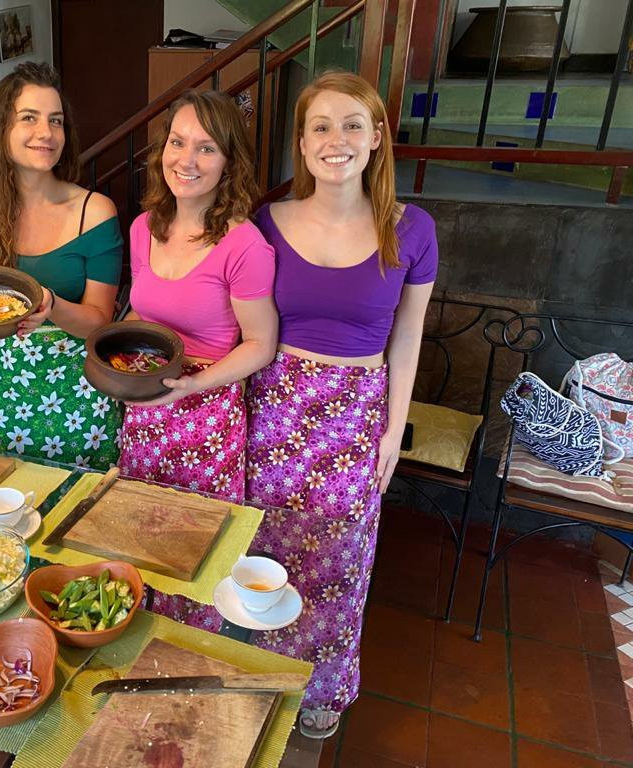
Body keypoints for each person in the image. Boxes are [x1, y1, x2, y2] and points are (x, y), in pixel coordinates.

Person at [247, 71, 437, 737]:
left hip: (357, 413)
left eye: (353, 124)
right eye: (321, 126)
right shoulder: (265, 224)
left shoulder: (411, 229)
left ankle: (321, 687)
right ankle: (260, 674)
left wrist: (393, 431)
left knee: (340, 559)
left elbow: (408, 335)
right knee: (264, 546)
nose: (337, 139)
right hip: (273, 406)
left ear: (378, 136)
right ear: (301, 144)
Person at [0, 62, 123, 468]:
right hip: (10, 404)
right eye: (29, 118)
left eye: (55, 121)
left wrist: (51, 303)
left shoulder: (95, 211)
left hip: (85, 402)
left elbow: (101, 321)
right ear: (2, 129)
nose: (46, 133)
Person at [116, 90, 278, 503]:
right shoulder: (143, 228)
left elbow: (261, 344)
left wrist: (195, 384)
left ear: (229, 163)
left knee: (198, 547)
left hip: (206, 416)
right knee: (138, 531)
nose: (186, 161)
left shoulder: (244, 245)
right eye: (177, 141)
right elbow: (142, 311)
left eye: (206, 148)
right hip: (146, 405)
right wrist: (111, 354)